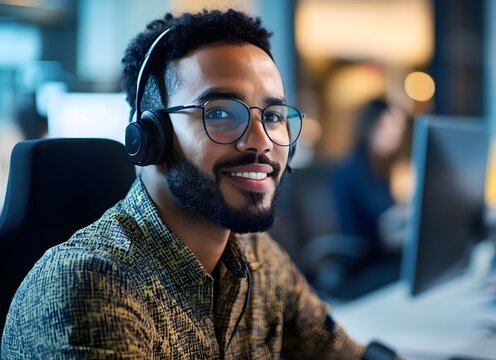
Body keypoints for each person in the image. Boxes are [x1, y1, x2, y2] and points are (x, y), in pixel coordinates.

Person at [1, 9, 397, 359]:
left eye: (273, 115)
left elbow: (338, 352)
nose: (261, 140)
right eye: (221, 112)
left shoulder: (257, 257)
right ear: (150, 135)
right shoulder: (91, 288)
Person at [323, 99, 408, 298]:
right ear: (369, 126)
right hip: (359, 265)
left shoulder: (380, 168)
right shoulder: (353, 169)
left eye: (397, 127)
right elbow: (387, 218)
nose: (394, 133)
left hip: (379, 255)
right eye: (386, 126)